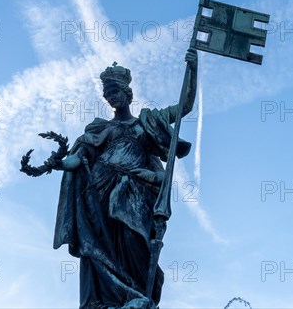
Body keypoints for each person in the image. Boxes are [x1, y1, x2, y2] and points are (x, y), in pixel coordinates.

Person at [48, 48, 198, 309]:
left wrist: (193, 69)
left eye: (115, 92)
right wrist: (59, 163)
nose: (111, 98)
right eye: (107, 95)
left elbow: (184, 107)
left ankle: (137, 295)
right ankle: (111, 300)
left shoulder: (146, 124)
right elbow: (78, 158)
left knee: (133, 240)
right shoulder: (101, 129)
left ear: (127, 93)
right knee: (98, 252)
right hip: (99, 194)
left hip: (133, 195)